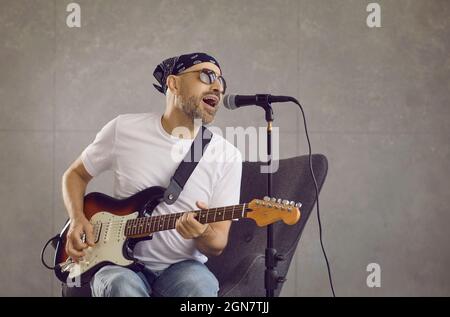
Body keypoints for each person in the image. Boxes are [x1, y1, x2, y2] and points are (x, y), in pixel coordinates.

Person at [61, 52, 242, 297]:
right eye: (207, 75)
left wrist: (202, 233)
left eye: (221, 81)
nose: (217, 86)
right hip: (114, 265)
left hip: (182, 268)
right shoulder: (123, 129)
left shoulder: (226, 155)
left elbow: (218, 242)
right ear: (173, 83)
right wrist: (77, 219)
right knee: (120, 285)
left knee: (200, 285)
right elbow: (75, 174)